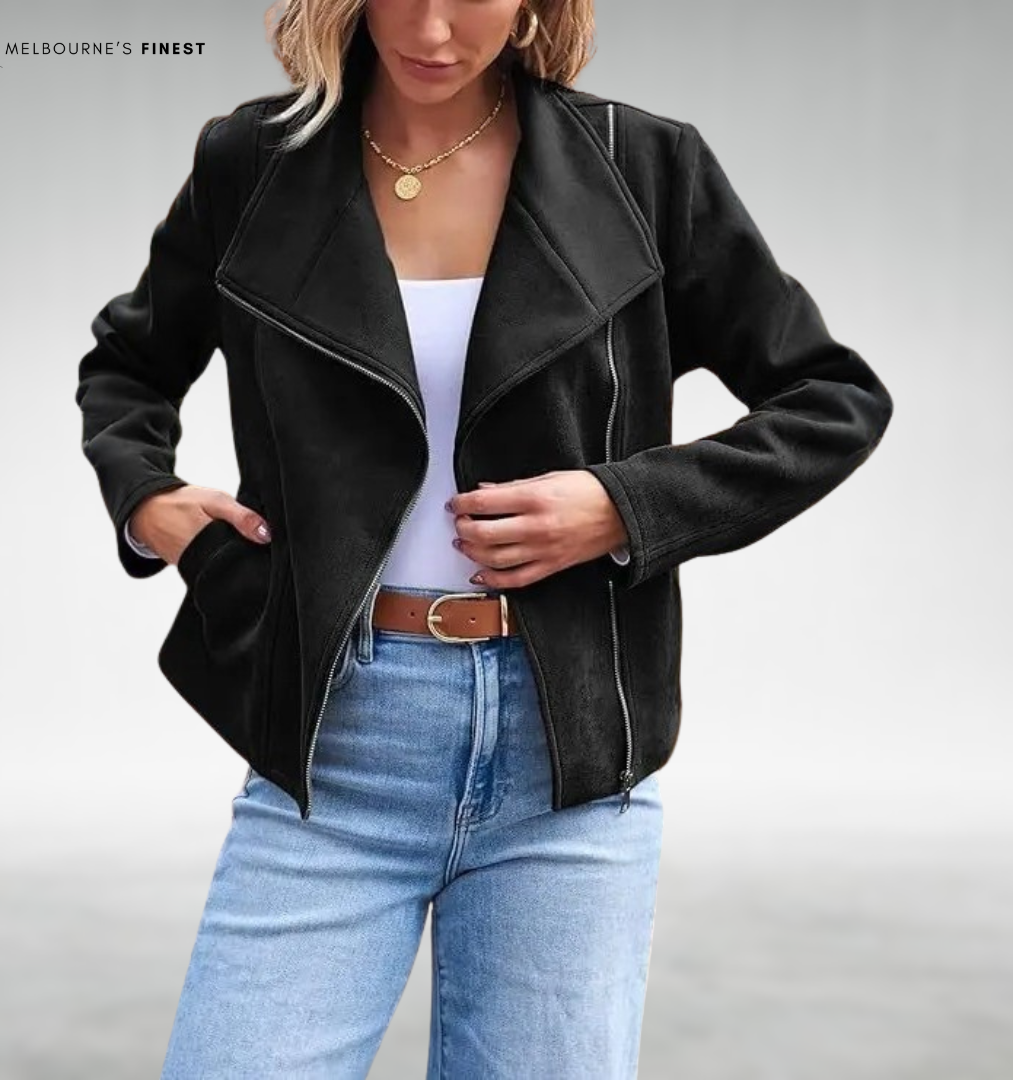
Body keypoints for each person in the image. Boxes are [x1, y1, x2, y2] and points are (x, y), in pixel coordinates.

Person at [75, 1, 894, 1076]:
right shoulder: (254, 163)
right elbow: (129, 367)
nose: (430, 28)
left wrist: (624, 505)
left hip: (566, 758)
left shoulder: (641, 166)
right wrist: (146, 497)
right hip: (333, 742)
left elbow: (831, 399)